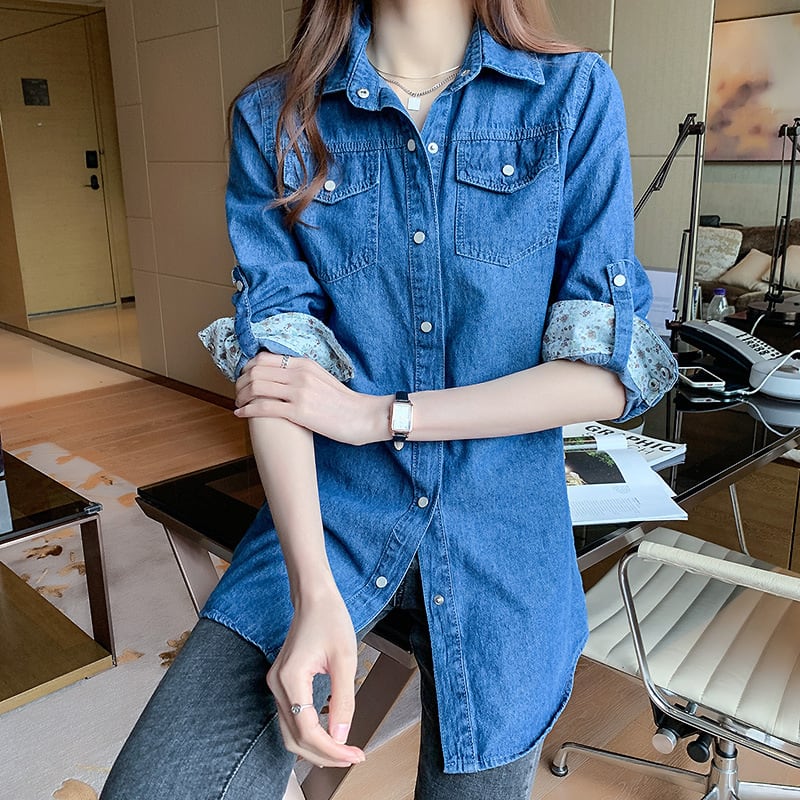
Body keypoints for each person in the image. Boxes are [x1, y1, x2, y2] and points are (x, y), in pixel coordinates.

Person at [101, 0, 677, 797]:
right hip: (332, 513)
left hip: (504, 529)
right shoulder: (275, 116)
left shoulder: (572, 94)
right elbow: (279, 372)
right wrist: (311, 591)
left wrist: (379, 414)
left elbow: (603, 373)